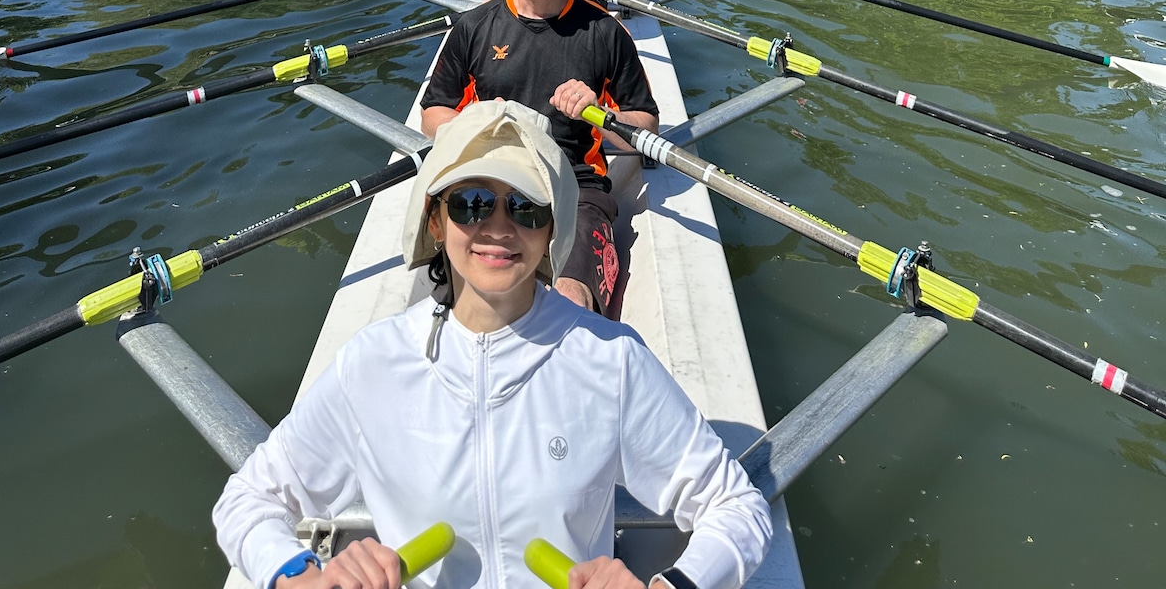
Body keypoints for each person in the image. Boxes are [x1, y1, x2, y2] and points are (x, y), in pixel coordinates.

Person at [213, 100, 772, 589]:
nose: (500, 229)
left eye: (526, 208)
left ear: (552, 229)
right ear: (436, 220)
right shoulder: (372, 364)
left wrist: (671, 584)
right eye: (472, 203)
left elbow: (738, 508)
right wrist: (295, 575)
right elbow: (248, 502)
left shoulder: (611, 358)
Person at [425, 0, 656, 315]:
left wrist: (599, 116)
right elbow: (433, 114)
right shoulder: (473, 28)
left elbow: (645, 127)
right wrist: (476, 125)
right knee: (471, 299)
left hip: (577, 186)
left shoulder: (606, 31)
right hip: (495, 176)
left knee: (569, 300)